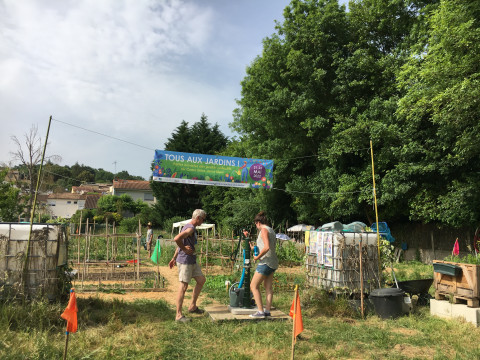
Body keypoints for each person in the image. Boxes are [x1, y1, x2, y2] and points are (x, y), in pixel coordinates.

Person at [169, 209, 207, 322]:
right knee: (183, 286)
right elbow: (177, 239)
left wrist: (173, 258)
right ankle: (178, 315)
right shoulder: (190, 228)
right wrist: (185, 249)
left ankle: (192, 306)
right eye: (203, 219)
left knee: (201, 280)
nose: (203, 221)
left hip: (191, 260)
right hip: (185, 261)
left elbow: (181, 242)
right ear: (198, 218)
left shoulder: (189, 227)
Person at [243, 211, 278, 319]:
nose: (256, 227)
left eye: (255, 224)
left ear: (258, 222)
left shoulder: (263, 230)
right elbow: (260, 247)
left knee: (253, 286)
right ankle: (267, 311)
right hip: (273, 262)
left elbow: (266, 247)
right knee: (268, 287)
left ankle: (260, 311)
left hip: (265, 262)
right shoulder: (270, 230)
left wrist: (257, 257)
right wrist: (249, 241)